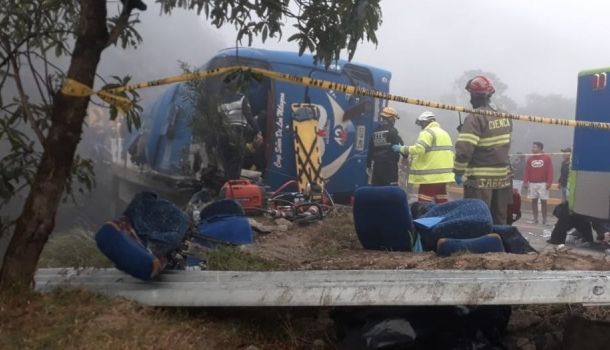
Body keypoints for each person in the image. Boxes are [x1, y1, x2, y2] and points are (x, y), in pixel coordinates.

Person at [454, 75, 513, 225]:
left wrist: (458, 172)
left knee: (477, 220)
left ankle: (479, 248)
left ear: (475, 96)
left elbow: (464, 150)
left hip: (480, 180)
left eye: (470, 95)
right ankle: (499, 246)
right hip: (503, 178)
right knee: (499, 219)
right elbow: (501, 142)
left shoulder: (475, 118)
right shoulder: (504, 115)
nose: (470, 100)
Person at [393, 111, 454, 203]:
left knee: (423, 203)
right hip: (443, 176)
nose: (421, 126)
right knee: (442, 202)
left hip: (429, 177)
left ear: (426, 122)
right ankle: (442, 217)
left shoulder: (427, 133)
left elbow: (419, 149)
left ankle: (423, 217)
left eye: (421, 123)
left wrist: (402, 149)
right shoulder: (444, 133)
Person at [217, 87, 262, 180]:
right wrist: (258, 132)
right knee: (236, 163)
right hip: (237, 134)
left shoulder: (220, 102)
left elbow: (218, 122)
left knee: (228, 165)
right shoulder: (241, 98)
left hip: (224, 136)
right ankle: (233, 186)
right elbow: (249, 116)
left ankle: (228, 185)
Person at [366, 106, 403, 186]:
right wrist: (405, 155)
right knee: (390, 193)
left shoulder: (375, 132)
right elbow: (399, 146)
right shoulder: (393, 131)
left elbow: (370, 150)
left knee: (377, 191)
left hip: (377, 168)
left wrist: (368, 165)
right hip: (390, 168)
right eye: (394, 119)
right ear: (391, 119)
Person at [523, 141, 553, 226]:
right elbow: (526, 171)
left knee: (544, 202)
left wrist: (549, 182)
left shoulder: (547, 158)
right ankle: (535, 219)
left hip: (543, 183)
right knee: (533, 201)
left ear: (540, 148)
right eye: (532, 147)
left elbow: (550, 171)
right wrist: (525, 181)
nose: (532, 149)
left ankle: (545, 220)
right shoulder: (530, 159)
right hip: (532, 183)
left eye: (534, 147)